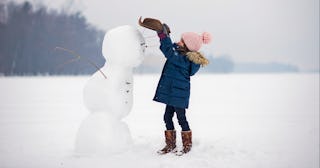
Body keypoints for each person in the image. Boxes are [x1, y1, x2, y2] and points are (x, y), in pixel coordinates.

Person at [139, 17, 212, 155]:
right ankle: (170, 144)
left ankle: (187, 145)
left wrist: (162, 35)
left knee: (181, 118)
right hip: (173, 93)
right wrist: (167, 35)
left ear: (187, 46)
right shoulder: (179, 54)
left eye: (182, 41)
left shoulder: (184, 60)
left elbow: (168, 51)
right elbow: (169, 49)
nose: (178, 42)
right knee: (167, 117)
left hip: (179, 94)